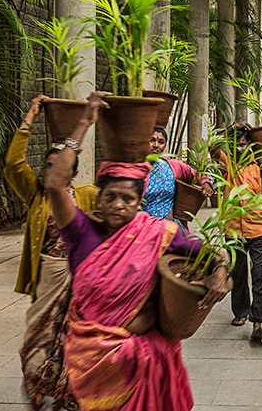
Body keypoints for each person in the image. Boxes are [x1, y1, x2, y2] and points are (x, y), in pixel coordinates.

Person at [45, 91, 230, 411]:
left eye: (128, 199)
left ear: (139, 201)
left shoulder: (157, 231)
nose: (118, 205)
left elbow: (209, 253)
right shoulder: (80, 233)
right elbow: (54, 184)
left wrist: (220, 273)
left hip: (146, 365)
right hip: (93, 364)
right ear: (99, 198)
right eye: (111, 196)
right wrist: (84, 122)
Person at [3, 94, 98, 410]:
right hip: (47, 282)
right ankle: (41, 387)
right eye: (48, 165)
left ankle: (68, 398)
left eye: (60, 165)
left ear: (72, 171)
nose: (52, 170)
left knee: (75, 348)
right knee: (36, 351)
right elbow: (14, 164)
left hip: (80, 287)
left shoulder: (88, 196)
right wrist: (30, 115)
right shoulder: (36, 196)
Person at [213, 123, 262, 341]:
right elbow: (210, 146)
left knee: (259, 276)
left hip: (259, 229)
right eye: (236, 144)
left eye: (243, 143)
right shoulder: (227, 163)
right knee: (238, 273)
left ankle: (258, 322)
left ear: (250, 144)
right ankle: (240, 312)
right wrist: (230, 129)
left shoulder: (261, 162)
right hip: (233, 230)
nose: (240, 147)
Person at [143, 127, 214, 223]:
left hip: (168, 227)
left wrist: (205, 183)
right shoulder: (136, 169)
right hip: (143, 228)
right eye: (152, 140)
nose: (156, 145)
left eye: (161, 142)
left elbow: (196, 175)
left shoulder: (172, 166)